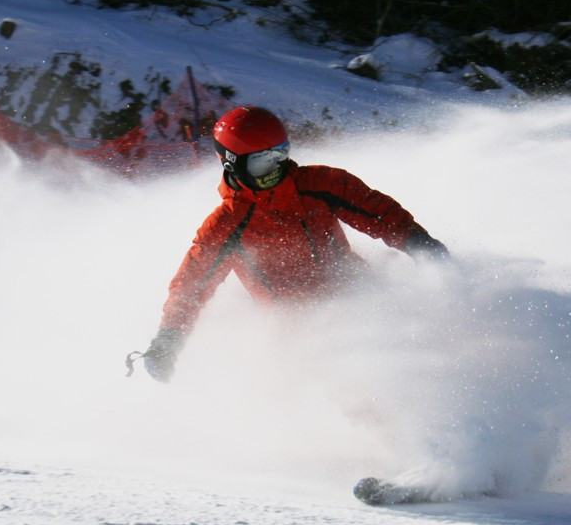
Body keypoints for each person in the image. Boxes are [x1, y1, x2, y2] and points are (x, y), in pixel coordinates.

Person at [139, 106, 447, 382]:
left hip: (357, 288)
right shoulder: (228, 225)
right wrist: (167, 342)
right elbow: (192, 284)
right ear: (233, 164)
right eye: (262, 163)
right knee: (352, 379)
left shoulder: (320, 185)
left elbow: (376, 212)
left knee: (421, 339)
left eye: (280, 156)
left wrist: (421, 244)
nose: (275, 171)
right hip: (300, 325)